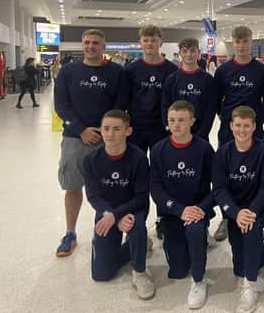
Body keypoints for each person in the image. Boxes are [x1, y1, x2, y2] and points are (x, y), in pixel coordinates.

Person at [53, 28, 127, 257]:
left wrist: (106, 131)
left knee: (113, 186)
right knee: (73, 186)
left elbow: (120, 104)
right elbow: (61, 106)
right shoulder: (68, 71)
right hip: (75, 139)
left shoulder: (117, 72)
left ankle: (115, 231)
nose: (90, 46)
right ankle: (70, 233)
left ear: (103, 47)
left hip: (109, 139)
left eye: (95, 43)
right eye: (87, 43)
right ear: (82, 46)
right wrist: (81, 130)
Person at [81, 110, 154, 299]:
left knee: (136, 228)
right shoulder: (90, 160)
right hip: (106, 210)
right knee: (102, 274)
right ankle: (136, 247)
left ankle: (139, 273)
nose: (110, 134)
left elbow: (140, 197)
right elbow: (93, 196)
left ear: (128, 131)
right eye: (106, 128)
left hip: (133, 209)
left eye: (116, 129)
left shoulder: (138, 158)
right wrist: (112, 215)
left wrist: (119, 215)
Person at [150, 100, 215, 309]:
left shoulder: (204, 148)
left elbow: (219, 187)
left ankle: (199, 280)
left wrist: (201, 209)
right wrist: (179, 210)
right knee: (178, 271)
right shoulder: (159, 150)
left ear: (192, 122)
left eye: (181, 120)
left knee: (195, 233)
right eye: (172, 120)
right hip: (172, 213)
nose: (176, 125)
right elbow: (156, 189)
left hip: (197, 211)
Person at [212, 106, 264, 313]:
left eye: (246, 126)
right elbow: (219, 190)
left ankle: (250, 286)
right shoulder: (222, 153)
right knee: (240, 266)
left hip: (258, 209)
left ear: (254, 126)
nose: (242, 130)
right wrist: (235, 212)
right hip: (235, 211)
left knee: (251, 232)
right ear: (231, 126)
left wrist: (251, 212)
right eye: (238, 125)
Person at [215, 26, 264, 146]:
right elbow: (216, 99)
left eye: (245, 41)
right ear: (233, 43)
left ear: (251, 42)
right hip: (228, 127)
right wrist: (226, 116)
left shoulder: (262, 70)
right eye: (237, 41)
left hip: (253, 126)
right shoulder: (223, 70)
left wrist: (258, 119)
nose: (241, 46)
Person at [124, 25, 178, 153]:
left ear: (161, 43)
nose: (149, 44)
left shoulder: (172, 70)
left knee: (161, 165)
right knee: (136, 165)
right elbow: (125, 98)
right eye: (146, 40)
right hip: (136, 126)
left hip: (161, 127)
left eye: (153, 40)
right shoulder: (131, 69)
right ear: (140, 43)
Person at [161, 38, 217, 142]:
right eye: (185, 51)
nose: (189, 54)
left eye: (192, 51)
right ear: (179, 54)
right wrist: (170, 129)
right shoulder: (171, 79)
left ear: (199, 53)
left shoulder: (207, 80)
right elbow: (165, 107)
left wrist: (202, 132)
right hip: (176, 134)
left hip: (200, 135)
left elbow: (211, 109)